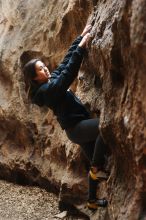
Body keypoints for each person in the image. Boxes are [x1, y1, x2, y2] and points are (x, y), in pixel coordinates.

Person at [22, 24, 108, 210]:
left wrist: (80, 37)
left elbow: (64, 63)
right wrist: (82, 47)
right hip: (77, 128)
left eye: (44, 66)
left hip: (78, 126)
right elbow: (68, 73)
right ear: (34, 78)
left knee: (95, 160)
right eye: (40, 69)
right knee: (104, 128)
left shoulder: (50, 81)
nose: (45, 69)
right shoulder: (48, 91)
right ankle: (97, 170)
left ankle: (92, 202)